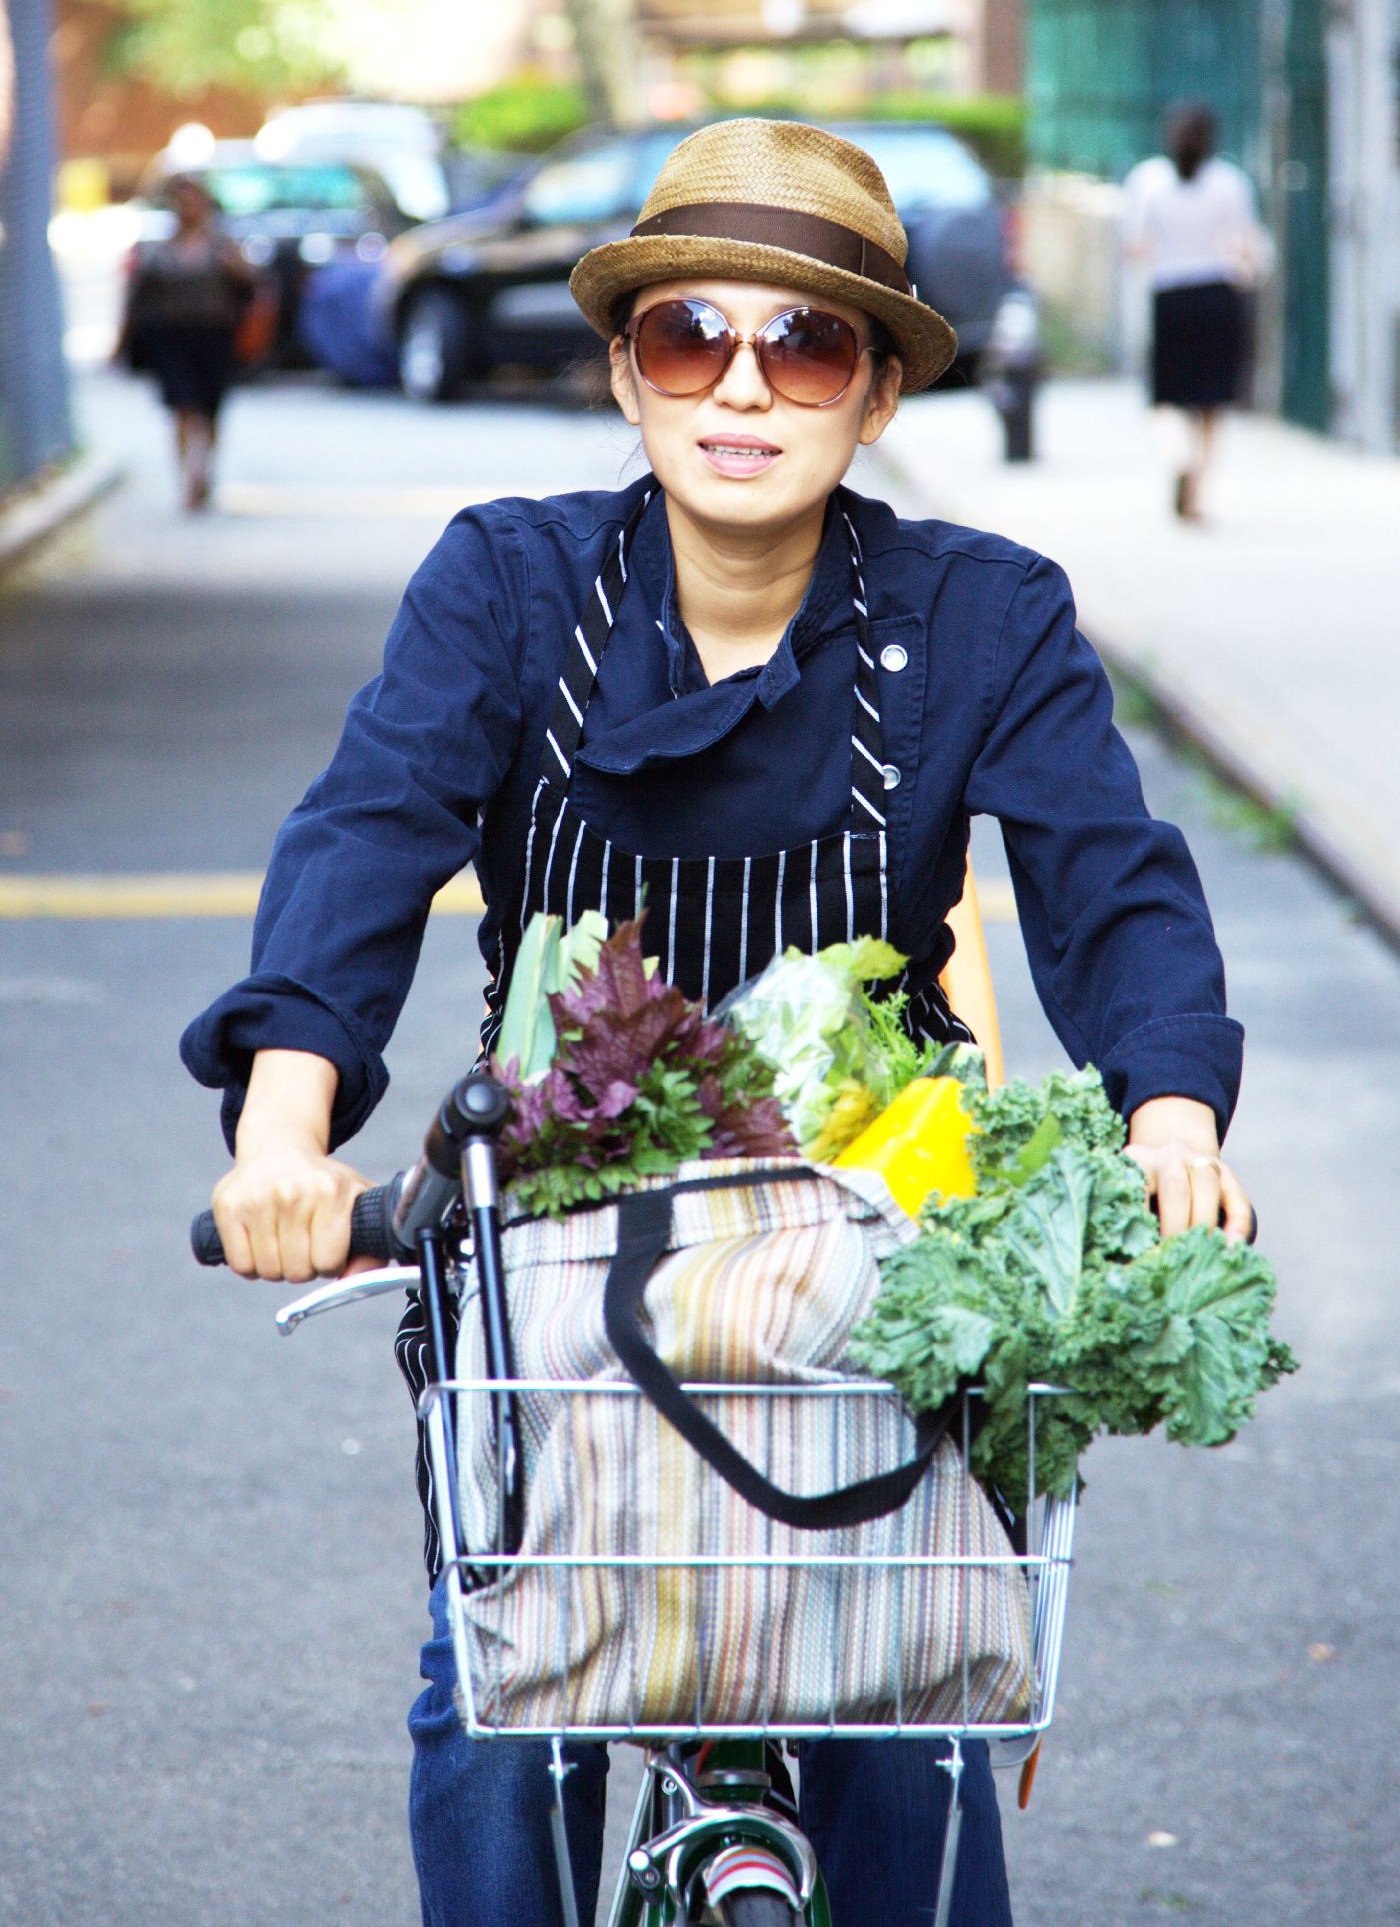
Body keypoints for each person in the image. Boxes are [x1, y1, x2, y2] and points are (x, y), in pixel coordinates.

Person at [182, 119, 1253, 1926]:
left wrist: (1172, 1113)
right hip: (554, 1266)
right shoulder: (510, 587)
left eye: (808, 343)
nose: (742, 385)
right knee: (493, 1700)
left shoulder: (981, 616)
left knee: (913, 1719)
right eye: (689, 335)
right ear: (625, 367)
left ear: (880, 392)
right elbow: (365, 837)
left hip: (866, 1272)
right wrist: (283, 1130)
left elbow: (1114, 883)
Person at [1121, 103, 1273, 522]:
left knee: (1166, 398)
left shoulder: (1148, 181)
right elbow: (1247, 245)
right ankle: (1198, 496)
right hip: (1218, 296)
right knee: (1212, 404)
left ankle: (1180, 458)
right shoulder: (1230, 183)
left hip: (1170, 297)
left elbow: (1135, 247)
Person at [118, 174, 253, 511]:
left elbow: (251, 286)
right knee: (181, 407)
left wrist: (234, 267)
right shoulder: (158, 249)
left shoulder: (223, 246)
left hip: (213, 336)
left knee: (209, 411)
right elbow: (136, 298)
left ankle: (204, 469)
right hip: (172, 337)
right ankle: (186, 479)